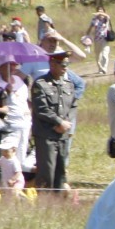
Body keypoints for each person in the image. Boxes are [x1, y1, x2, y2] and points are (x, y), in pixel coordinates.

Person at [31, 48, 78, 191]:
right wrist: (59, 122)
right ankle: (45, 204)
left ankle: (57, 204)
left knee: (61, 173)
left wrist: (66, 124)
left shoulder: (68, 84)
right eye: (62, 65)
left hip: (62, 135)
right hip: (46, 135)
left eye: (66, 65)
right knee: (47, 173)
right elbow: (41, 109)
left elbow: (73, 106)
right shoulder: (41, 84)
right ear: (52, 64)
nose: (65, 68)